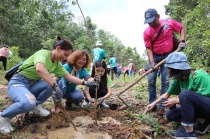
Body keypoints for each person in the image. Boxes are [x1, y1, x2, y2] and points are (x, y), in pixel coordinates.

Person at [0, 38, 96, 135]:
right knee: (30, 102)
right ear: (58, 48)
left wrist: (85, 83)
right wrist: (55, 86)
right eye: (65, 54)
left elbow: (69, 77)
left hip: (33, 85)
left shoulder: (56, 64)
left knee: (51, 83)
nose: (65, 58)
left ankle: (36, 105)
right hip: (18, 82)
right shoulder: (43, 53)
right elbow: (40, 69)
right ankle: (3, 117)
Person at [144, 52, 210, 138]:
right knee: (170, 114)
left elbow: (203, 98)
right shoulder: (178, 80)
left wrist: (177, 100)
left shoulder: (199, 76)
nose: (168, 71)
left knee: (184, 94)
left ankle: (189, 132)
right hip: (199, 110)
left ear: (176, 69)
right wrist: (153, 104)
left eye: (169, 68)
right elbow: (167, 94)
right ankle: (203, 122)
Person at [143, 8, 186, 114]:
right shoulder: (147, 32)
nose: (151, 24)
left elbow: (181, 28)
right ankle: (152, 104)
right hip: (155, 56)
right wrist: (152, 62)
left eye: (153, 21)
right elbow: (149, 48)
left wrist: (182, 40)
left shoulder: (168, 23)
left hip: (168, 56)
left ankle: (162, 106)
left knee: (165, 81)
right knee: (151, 81)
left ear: (158, 16)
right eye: (148, 22)